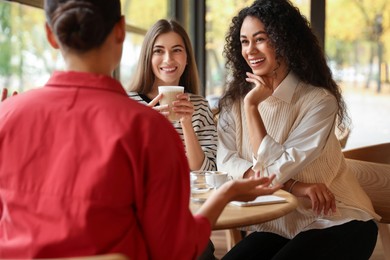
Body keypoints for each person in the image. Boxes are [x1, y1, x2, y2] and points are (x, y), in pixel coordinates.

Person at [0, 0, 281, 259]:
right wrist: (226, 194)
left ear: (50, 35)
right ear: (120, 31)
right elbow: (176, 248)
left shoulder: (7, 115)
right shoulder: (149, 128)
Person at [217, 0, 380, 259]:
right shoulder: (234, 100)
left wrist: (252, 109)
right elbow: (224, 165)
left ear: (284, 41)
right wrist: (294, 185)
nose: (250, 50)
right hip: (276, 223)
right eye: (244, 41)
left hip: (337, 219)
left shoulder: (319, 101)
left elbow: (271, 172)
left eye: (260, 39)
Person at [128, 19, 217, 172]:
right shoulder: (128, 104)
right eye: (158, 51)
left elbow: (207, 172)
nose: (168, 59)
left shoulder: (200, 107)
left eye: (176, 50)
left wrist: (187, 124)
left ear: (187, 58)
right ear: (148, 58)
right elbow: (122, 168)